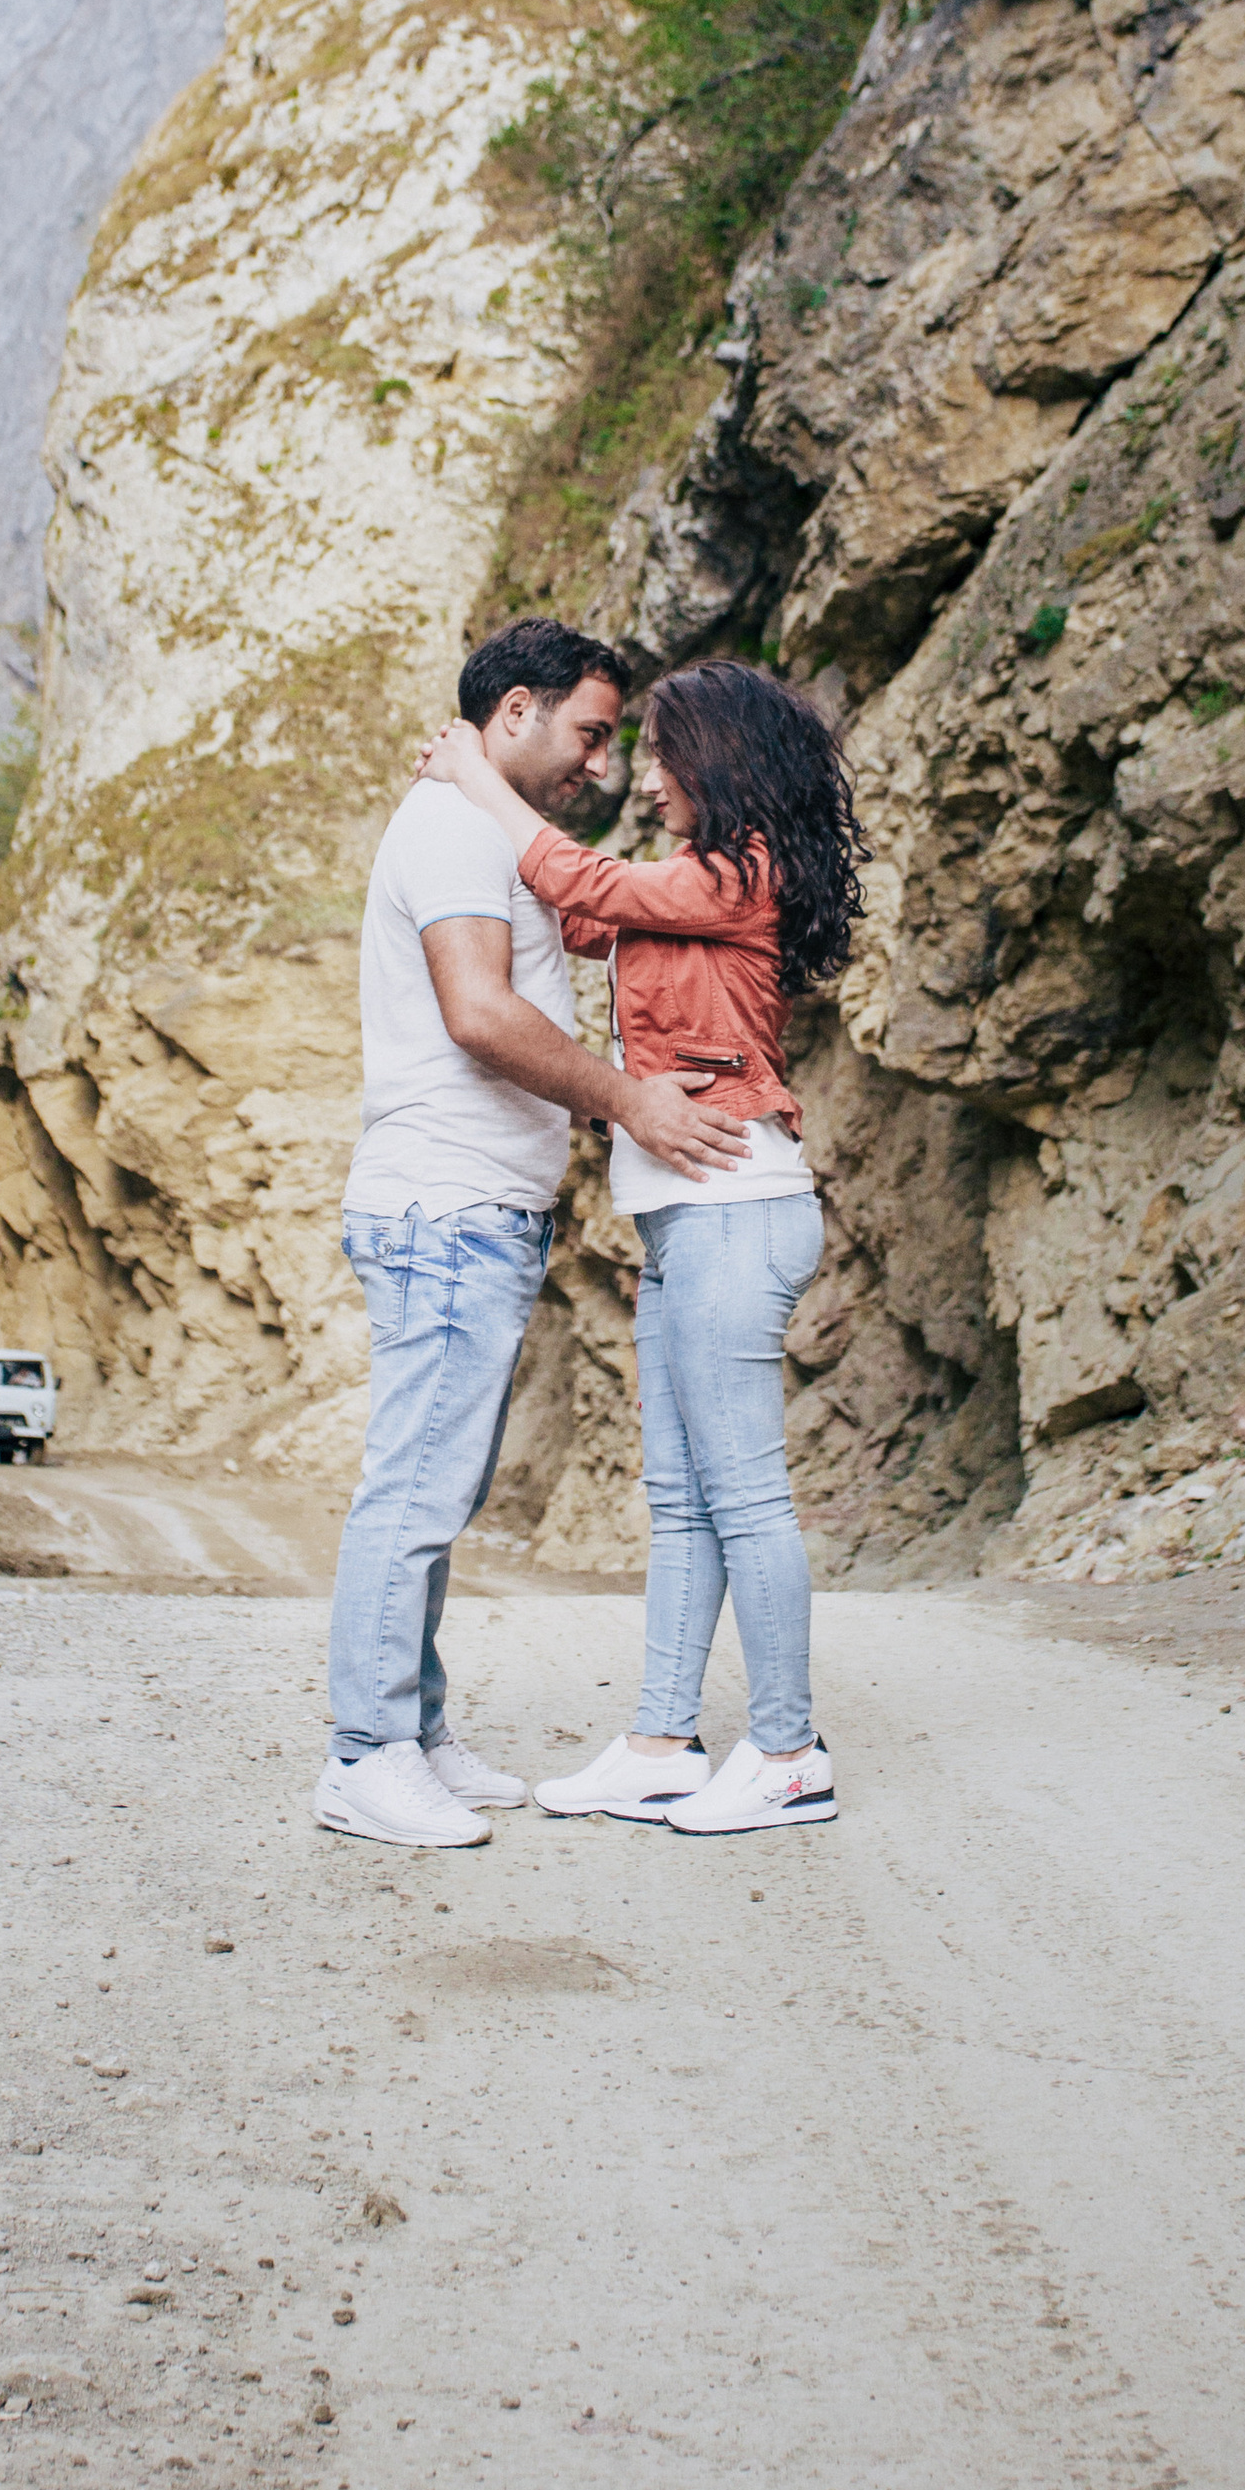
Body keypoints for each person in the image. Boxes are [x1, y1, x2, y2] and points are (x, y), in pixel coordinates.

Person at [316, 619, 750, 1850]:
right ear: (515, 712)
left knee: (436, 1490)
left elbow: (586, 901)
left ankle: (417, 1730)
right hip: (442, 1205)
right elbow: (478, 1013)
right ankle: (364, 1753)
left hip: (473, 1210)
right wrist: (630, 1100)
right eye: (589, 733)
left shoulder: (478, 820)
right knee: (412, 1489)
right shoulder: (453, 826)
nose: (601, 766)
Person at [417, 657, 866, 1836]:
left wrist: (474, 771)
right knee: (680, 1500)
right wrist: (479, 806)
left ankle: (788, 1751)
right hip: (680, 1222)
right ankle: (663, 1741)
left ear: (715, 760)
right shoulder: (686, 880)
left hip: (736, 1208)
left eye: (664, 753)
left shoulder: (743, 869)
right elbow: (577, 908)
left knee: (746, 1499)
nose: (650, 776)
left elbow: (574, 873)